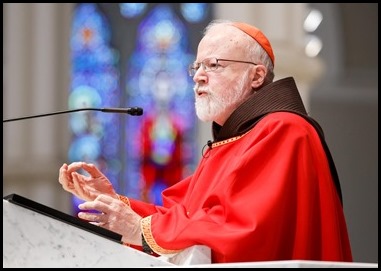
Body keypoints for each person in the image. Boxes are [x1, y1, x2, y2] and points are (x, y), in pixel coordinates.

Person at [58, 19, 353, 263]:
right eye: (196, 67)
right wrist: (114, 203)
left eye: (213, 65)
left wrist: (139, 229)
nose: (198, 76)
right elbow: (185, 217)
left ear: (257, 76)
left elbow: (243, 231)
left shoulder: (284, 130)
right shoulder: (235, 141)